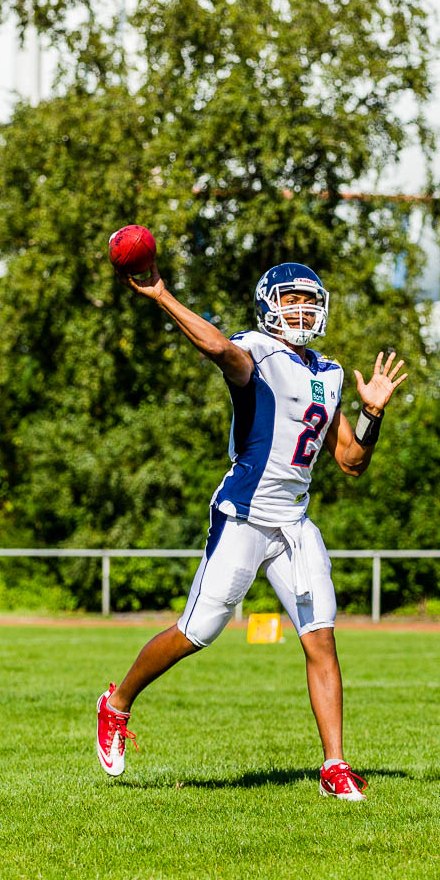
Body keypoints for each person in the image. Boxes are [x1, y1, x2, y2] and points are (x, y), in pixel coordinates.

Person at [96, 259, 407, 801]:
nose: (301, 309)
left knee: (322, 638)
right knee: (197, 632)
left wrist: (371, 415)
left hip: (294, 523)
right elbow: (220, 350)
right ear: (268, 306)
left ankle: (334, 765)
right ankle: (116, 703)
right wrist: (163, 297)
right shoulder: (256, 353)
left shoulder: (330, 373)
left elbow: (352, 462)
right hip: (243, 516)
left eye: (309, 300)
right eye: (290, 300)